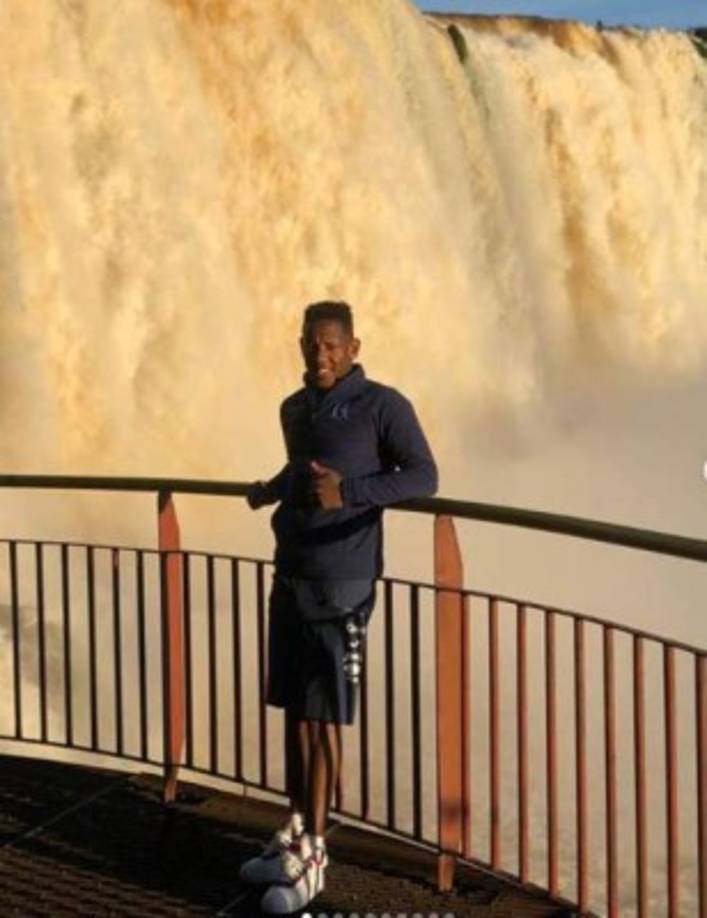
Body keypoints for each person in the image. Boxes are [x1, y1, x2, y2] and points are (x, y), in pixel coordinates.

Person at [240, 300, 437, 914]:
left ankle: (317, 853)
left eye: (331, 345)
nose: (319, 354)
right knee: (296, 713)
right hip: (292, 573)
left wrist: (349, 492)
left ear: (353, 347)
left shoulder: (384, 404)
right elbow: (303, 468)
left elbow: (423, 476)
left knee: (323, 718)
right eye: (311, 343)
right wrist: (271, 490)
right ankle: (295, 832)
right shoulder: (293, 408)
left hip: (344, 581)